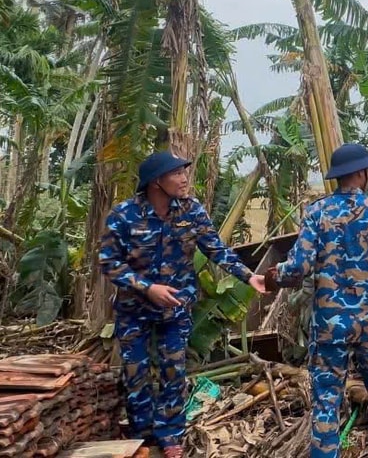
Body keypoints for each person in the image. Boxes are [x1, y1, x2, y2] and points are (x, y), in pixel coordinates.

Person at [265, 143, 368, 458]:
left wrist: (276, 275)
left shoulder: (317, 212)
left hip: (330, 325)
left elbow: (298, 269)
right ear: (361, 173)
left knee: (326, 399)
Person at [100, 151, 268, 458]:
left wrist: (249, 277)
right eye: (177, 173)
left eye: (184, 172)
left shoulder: (191, 211)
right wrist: (148, 288)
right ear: (156, 182)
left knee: (173, 372)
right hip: (133, 310)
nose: (184, 178)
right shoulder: (124, 215)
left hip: (175, 309)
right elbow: (109, 263)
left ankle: (170, 435)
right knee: (135, 373)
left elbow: (217, 249)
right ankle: (141, 437)